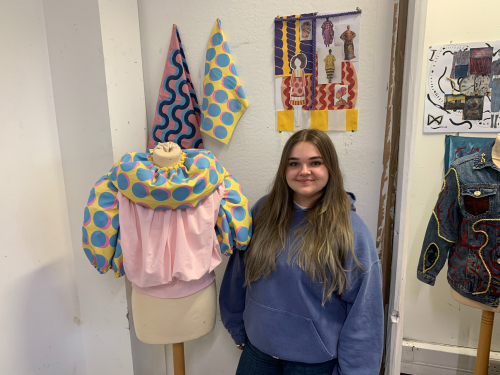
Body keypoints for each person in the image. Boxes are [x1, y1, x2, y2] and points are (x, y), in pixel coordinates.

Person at [220, 129, 383, 375]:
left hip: (314, 364)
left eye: (315, 163)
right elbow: (238, 274)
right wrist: (236, 327)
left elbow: (364, 313)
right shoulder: (262, 212)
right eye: (294, 163)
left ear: (330, 168)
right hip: (257, 354)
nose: (304, 171)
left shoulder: (351, 230)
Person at [289, 53, 307, 129]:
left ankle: (298, 121)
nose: (297, 63)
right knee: (295, 107)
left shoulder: (302, 71)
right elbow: (292, 83)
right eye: (296, 62)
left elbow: (303, 83)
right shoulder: (293, 72)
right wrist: (291, 92)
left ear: (301, 63)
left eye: (299, 62)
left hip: (300, 93)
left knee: (299, 108)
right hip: (294, 92)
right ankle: (296, 121)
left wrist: (304, 92)